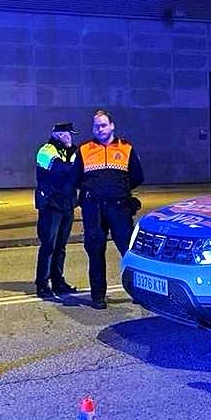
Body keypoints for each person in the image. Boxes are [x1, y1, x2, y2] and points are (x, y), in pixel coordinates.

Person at [75, 109, 144, 310]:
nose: (100, 129)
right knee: (95, 252)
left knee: (129, 252)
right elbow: (76, 178)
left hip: (119, 208)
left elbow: (138, 177)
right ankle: (98, 297)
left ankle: (137, 292)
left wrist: (118, 190)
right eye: (96, 126)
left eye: (104, 125)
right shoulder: (85, 149)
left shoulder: (126, 149)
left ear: (112, 126)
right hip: (94, 209)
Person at [34, 122, 81, 299]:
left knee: (61, 246)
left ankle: (58, 281)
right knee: (48, 246)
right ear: (60, 135)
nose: (71, 138)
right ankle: (42, 284)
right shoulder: (46, 151)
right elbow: (60, 171)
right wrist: (76, 163)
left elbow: (76, 174)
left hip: (66, 204)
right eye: (69, 134)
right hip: (51, 205)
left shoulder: (67, 152)